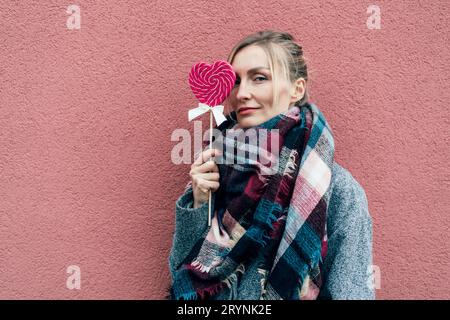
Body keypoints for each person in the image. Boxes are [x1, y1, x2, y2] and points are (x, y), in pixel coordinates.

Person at [168, 30, 374, 300]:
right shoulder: (215, 168)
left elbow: (352, 291)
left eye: (260, 78)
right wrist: (199, 202)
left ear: (297, 89)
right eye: (236, 81)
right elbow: (182, 277)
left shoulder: (336, 187)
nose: (242, 93)